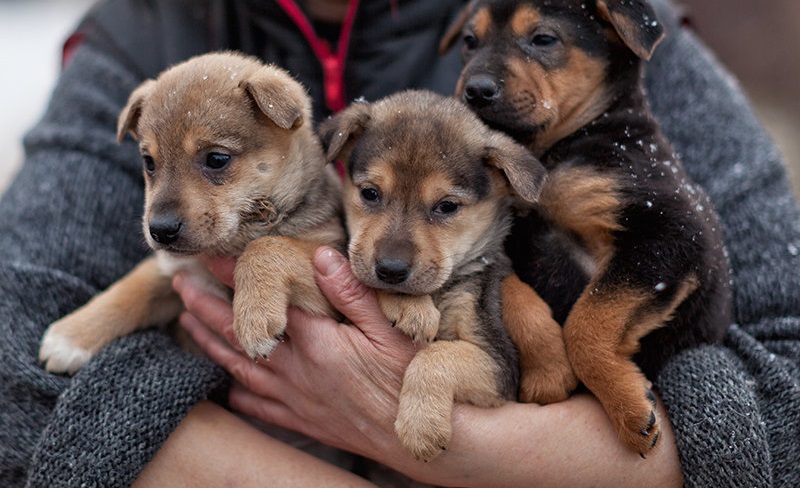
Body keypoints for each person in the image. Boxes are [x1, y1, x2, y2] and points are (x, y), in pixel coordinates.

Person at [0, 0, 797, 486]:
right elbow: (12, 368)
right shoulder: (141, 41)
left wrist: (492, 456)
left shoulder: (590, 28)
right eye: (369, 192)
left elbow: (788, 373)